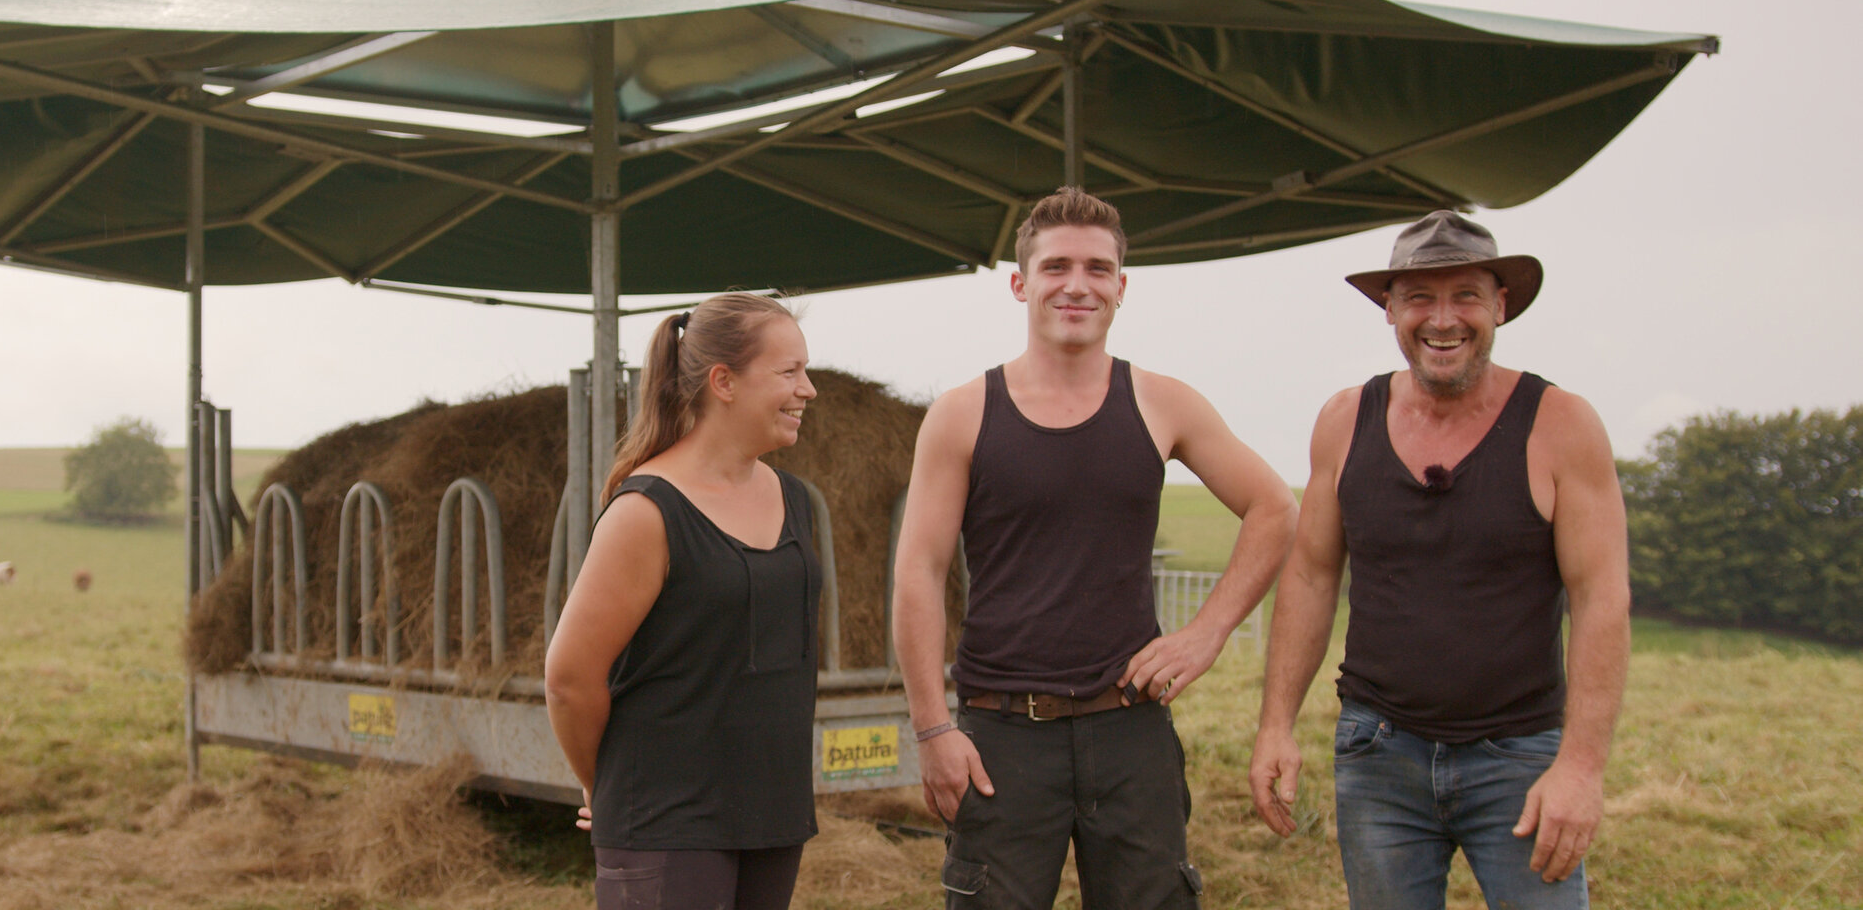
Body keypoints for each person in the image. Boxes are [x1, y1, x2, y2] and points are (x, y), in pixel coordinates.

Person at [892, 187, 1297, 909]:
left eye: (1097, 269)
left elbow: (1273, 507)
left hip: (1130, 728)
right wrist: (931, 729)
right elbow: (919, 572)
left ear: (1121, 287)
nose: (1077, 285)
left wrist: (1205, 634)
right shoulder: (961, 414)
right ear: (1021, 284)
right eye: (1055, 267)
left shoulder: (1163, 402)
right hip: (1000, 735)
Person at [1248, 211, 1629, 909]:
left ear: (1500, 307)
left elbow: (1602, 598)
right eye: (1420, 297)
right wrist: (1277, 724)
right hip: (1378, 752)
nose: (1443, 319)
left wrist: (1580, 767)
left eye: (1466, 296)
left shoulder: (1562, 425)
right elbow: (1310, 573)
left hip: (1519, 758)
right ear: (1389, 308)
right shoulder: (1344, 419)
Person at [544, 291, 823, 910]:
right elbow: (569, 680)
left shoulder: (794, 498)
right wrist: (608, 788)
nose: (808, 389)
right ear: (724, 381)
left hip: (773, 818)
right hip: (667, 824)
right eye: (789, 372)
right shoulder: (646, 512)